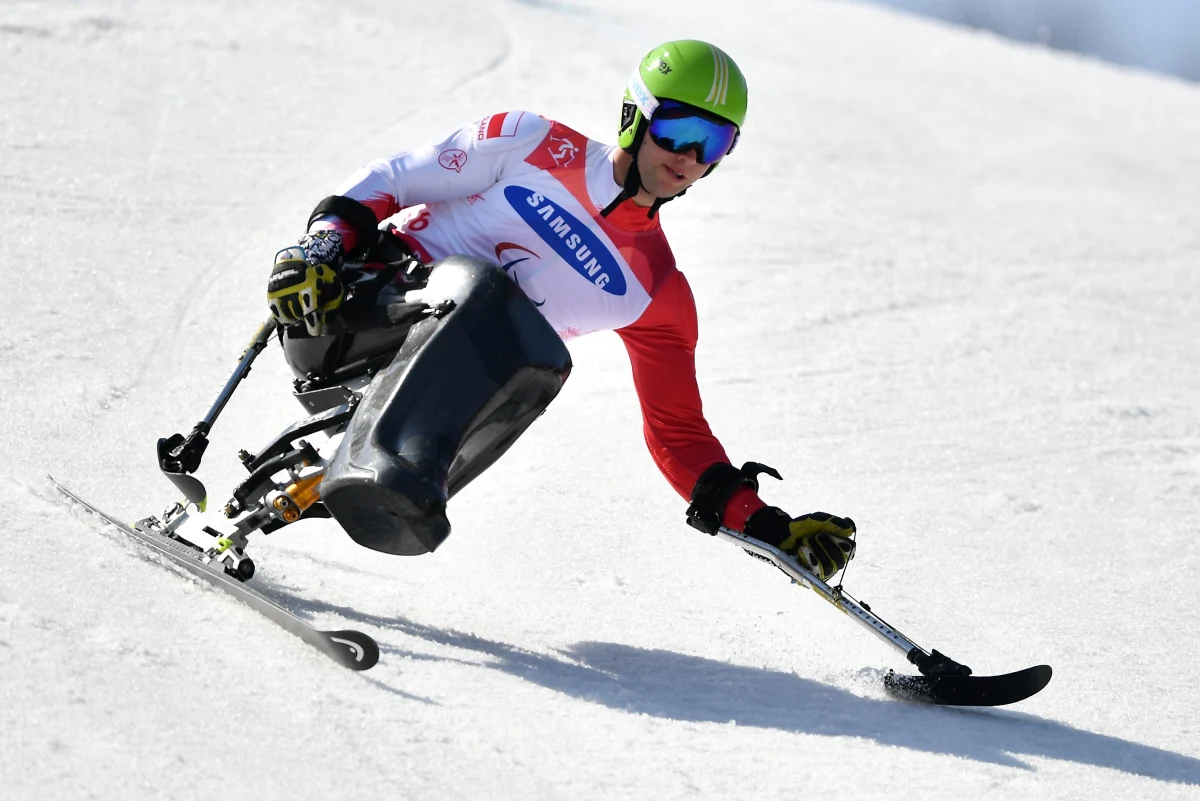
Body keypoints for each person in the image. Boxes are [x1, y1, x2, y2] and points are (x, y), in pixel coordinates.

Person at [265, 40, 856, 579]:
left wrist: (767, 525)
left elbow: (676, 430)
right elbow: (393, 181)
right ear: (637, 115)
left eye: (714, 144)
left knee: (540, 363)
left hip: (425, 407)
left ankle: (394, 487)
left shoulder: (657, 290)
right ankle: (389, 469)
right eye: (680, 129)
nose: (690, 157)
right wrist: (319, 246)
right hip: (347, 317)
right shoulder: (532, 142)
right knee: (487, 294)